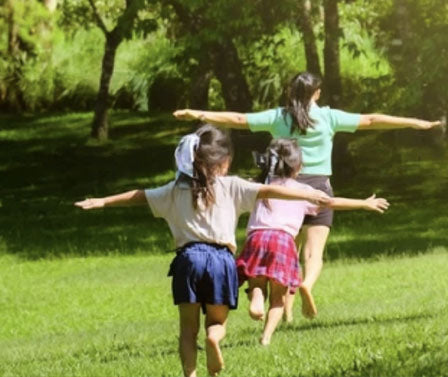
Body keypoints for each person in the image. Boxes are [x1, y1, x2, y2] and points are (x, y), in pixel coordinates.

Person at [173, 71, 441, 321]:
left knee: (289, 248)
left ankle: (285, 312)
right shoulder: (328, 117)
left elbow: (240, 120)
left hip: (283, 189)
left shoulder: (279, 117)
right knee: (313, 252)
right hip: (318, 187)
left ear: (291, 91)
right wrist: (413, 122)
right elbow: (371, 120)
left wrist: (196, 113)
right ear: (317, 93)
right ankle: (306, 284)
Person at [74, 125, 331, 377]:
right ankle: (213, 339)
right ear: (225, 162)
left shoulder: (175, 190)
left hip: (188, 261)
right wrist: (308, 197)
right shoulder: (232, 186)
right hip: (221, 262)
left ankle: (191, 375)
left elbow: (140, 195)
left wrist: (103, 201)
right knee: (217, 324)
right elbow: (269, 189)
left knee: (187, 330)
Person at [237, 138, 389, 345]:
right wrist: (363, 203)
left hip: (257, 238)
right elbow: (331, 202)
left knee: (257, 282)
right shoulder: (304, 191)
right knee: (278, 298)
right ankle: (265, 339)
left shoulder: (259, 186)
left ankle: (256, 298)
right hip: (282, 240)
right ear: (297, 167)